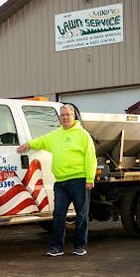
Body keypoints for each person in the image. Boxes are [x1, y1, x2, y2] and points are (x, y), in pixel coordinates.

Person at [17, 104, 97, 257]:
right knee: (59, 215)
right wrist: (28, 144)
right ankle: (57, 247)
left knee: (81, 215)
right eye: (63, 115)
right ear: (60, 117)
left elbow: (90, 158)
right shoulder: (55, 135)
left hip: (79, 180)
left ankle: (80, 246)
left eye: (68, 114)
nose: (65, 118)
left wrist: (89, 178)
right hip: (60, 182)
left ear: (73, 115)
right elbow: (41, 141)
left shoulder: (83, 134)